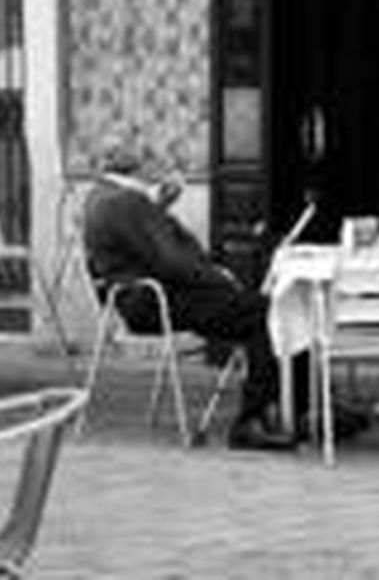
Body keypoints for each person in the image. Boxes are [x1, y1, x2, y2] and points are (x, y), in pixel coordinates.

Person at [82, 145, 306, 451]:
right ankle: (255, 419)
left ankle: (295, 406)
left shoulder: (102, 196)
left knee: (265, 311)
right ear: (141, 170)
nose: (161, 171)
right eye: (156, 165)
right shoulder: (128, 202)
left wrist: (159, 207)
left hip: (142, 298)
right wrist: (219, 278)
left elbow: (148, 247)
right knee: (271, 313)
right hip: (157, 300)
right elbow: (171, 261)